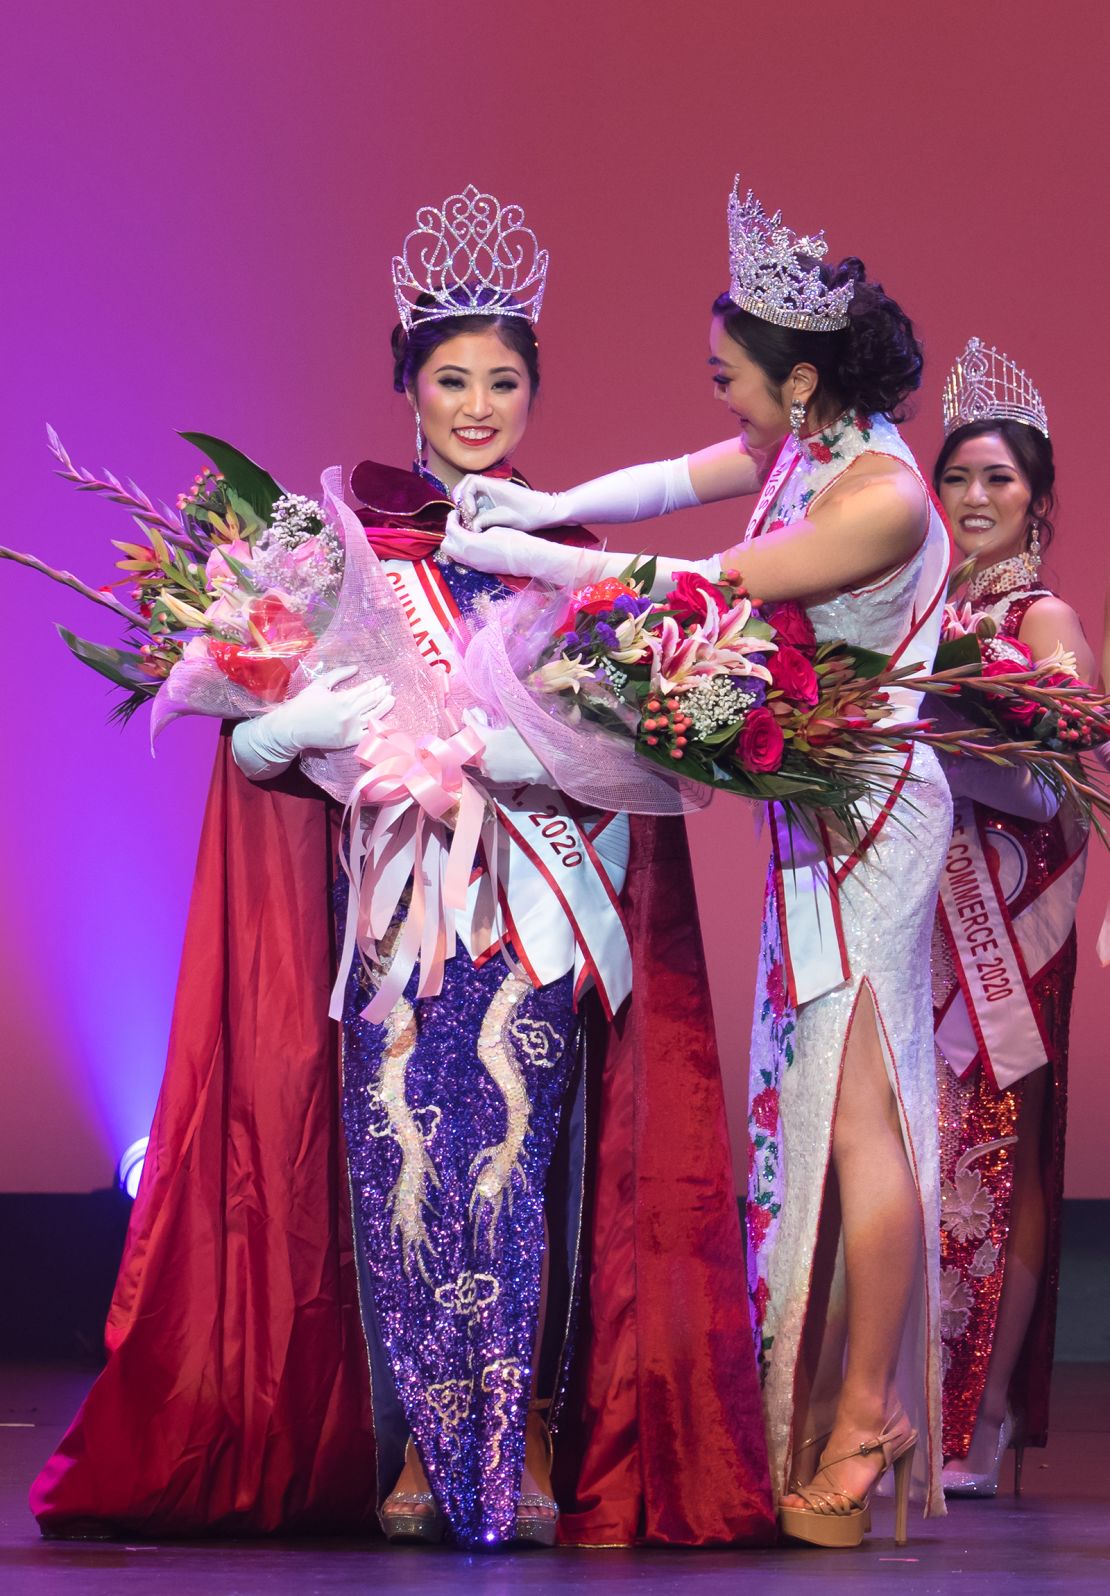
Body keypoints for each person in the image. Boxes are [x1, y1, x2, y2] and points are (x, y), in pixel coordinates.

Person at [31, 186, 773, 1550]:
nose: (477, 404)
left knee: (522, 1171)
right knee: (402, 1173)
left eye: (502, 381)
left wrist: (533, 747)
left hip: (533, 915)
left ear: (531, 397)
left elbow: (645, 765)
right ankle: (426, 1452)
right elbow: (250, 737)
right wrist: (275, 729)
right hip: (388, 913)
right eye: (452, 380)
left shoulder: (571, 568)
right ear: (408, 391)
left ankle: (530, 1440)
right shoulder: (332, 561)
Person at [445, 177, 953, 1547]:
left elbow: (718, 585)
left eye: (729, 376)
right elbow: (676, 485)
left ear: (796, 380)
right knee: (818, 1107)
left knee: (861, 1111)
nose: (718, 399)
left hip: (874, 816)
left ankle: (867, 1414)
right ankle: (826, 1396)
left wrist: (536, 564)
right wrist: (546, 504)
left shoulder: (884, 495)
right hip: (823, 807)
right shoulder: (807, 445)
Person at [930, 338, 1093, 1496]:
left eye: (1001, 478)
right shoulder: (907, 605)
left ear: (1036, 498)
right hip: (918, 907)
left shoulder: (1044, 616)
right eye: (960, 477)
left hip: (1009, 913)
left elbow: (1066, 751)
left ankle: (986, 1410)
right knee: (923, 1145)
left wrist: (960, 731)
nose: (977, 498)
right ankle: (911, 1396)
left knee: (1005, 1149)